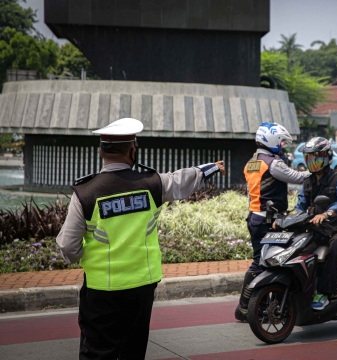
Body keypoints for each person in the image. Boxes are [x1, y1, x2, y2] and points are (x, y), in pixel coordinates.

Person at [56, 118, 225, 360]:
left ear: (101, 151)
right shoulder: (153, 184)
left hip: (102, 290)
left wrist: (82, 256)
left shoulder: (86, 192)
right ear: (133, 150)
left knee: (97, 353)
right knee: (133, 352)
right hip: (142, 288)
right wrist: (209, 168)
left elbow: (68, 246)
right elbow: (181, 180)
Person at [235, 122, 311, 321]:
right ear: (273, 141)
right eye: (282, 141)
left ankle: (259, 305)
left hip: (255, 216)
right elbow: (295, 176)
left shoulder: (252, 161)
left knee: (263, 261)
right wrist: (314, 172)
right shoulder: (272, 163)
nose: (283, 145)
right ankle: (244, 307)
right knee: (263, 263)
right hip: (267, 220)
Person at [292, 137, 337, 310]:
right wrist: (285, 219)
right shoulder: (307, 182)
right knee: (298, 250)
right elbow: (299, 206)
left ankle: (326, 292)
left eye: (317, 158)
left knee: (335, 250)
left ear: (328, 157)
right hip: (319, 231)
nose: (313, 163)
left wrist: (326, 214)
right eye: (310, 158)